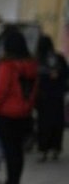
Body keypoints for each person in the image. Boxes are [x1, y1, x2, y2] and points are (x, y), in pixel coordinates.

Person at [0, 26, 38, 184]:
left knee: (9, 151)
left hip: (7, 115)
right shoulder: (32, 64)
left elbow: (0, 91)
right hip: (25, 114)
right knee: (18, 151)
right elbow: (35, 90)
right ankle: (15, 182)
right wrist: (28, 106)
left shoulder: (7, 65)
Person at [34, 33, 68, 161]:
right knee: (56, 124)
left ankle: (44, 150)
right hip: (57, 98)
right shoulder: (58, 58)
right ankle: (55, 148)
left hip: (44, 98)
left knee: (44, 125)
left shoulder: (39, 60)